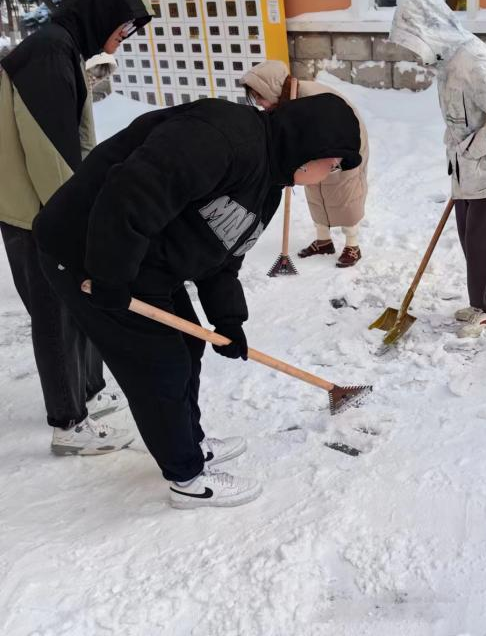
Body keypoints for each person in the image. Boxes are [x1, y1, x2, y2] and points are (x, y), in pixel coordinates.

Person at [32, 94, 362, 508]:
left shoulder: (268, 186)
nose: (330, 174)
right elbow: (132, 192)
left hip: (146, 261)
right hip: (85, 253)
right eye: (333, 164)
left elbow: (223, 254)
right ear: (309, 148)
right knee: (159, 366)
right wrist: (110, 276)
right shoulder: (221, 138)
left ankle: (189, 442)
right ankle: (186, 477)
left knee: (188, 345)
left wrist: (228, 321)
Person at [0, 0, 153, 455]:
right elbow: (47, 149)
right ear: (99, 12)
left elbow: (74, 142)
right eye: (124, 24)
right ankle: (68, 423)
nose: (126, 35)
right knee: (55, 312)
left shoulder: (62, 48)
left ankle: (88, 391)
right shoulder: (48, 53)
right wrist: (73, 223)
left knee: (77, 302)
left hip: (49, 204)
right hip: (35, 213)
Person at [389, 0, 486, 338]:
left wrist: (473, 148)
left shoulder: (473, 61)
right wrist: (457, 147)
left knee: (479, 242)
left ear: (428, 28)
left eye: (414, 40)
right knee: (471, 240)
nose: (415, 54)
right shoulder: (447, 61)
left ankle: (484, 308)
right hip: (465, 168)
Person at [241, 60, 369, 268]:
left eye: (260, 97)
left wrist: (335, 160)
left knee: (345, 196)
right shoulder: (285, 101)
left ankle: (352, 245)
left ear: (271, 88)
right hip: (314, 148)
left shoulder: (312, 96)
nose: (260, 104)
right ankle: (323, 241)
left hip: (344, 146)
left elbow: (339, 125)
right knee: (316, 192)